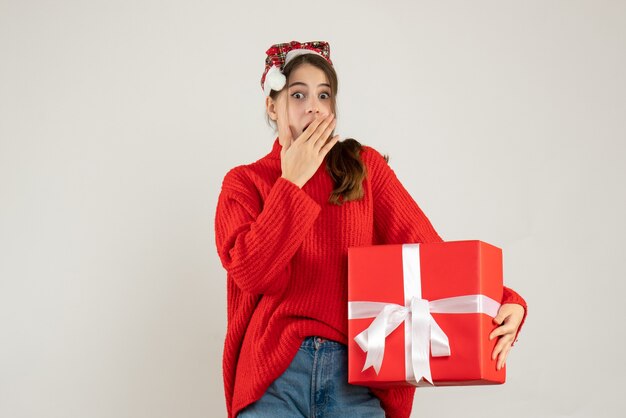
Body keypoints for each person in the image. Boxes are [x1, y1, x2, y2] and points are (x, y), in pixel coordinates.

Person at [214, 40, 527, 418]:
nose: (313, 105)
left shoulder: (364, 167)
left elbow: (430, 256)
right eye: (298, 94)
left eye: (324, 95)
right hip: (275, 378)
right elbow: (252, 273)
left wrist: (505, 299)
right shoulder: (245, 183)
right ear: (271, 105)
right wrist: (291, 184)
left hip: (358, 373)